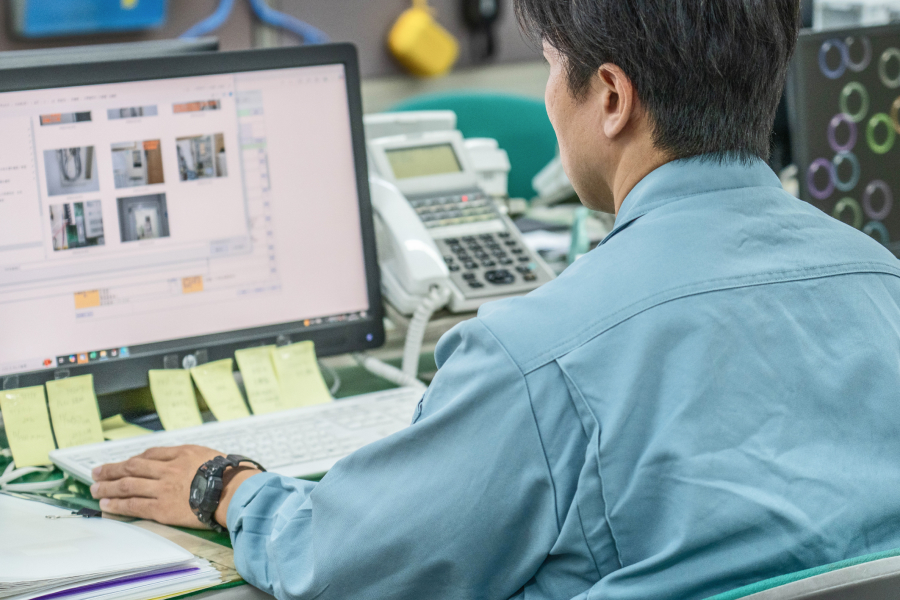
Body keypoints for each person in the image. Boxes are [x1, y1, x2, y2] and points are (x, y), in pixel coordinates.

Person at [90, 1, 900, 598]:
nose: (551, 96)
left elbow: (352, 568)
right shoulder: (884, 282)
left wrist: (228, 488)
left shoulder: (537, 352)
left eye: (552, 69)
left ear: (610, 99)